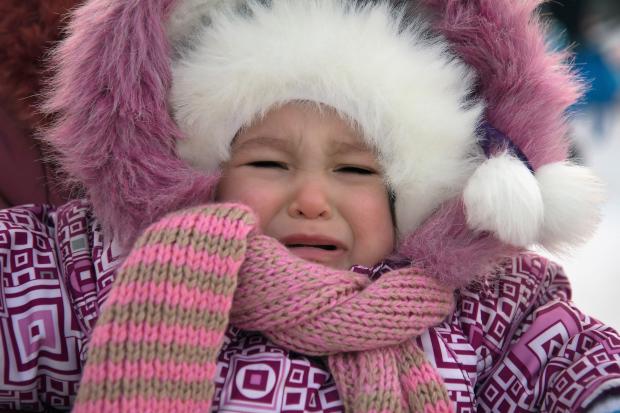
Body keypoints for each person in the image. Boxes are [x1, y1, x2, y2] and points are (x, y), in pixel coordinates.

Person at [0, 0, 619, 412]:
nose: (314, 199)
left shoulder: (474, 309)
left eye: (353, 170)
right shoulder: (110, 274)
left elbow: (562, 356)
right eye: (268, 163)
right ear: (204, 181)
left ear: (412, 202)